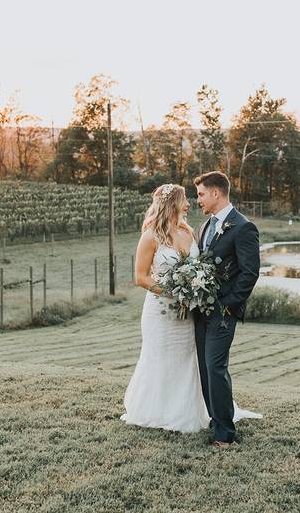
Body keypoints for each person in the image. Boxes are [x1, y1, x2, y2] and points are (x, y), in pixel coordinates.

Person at [120, 182, 261, 439]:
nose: (190, 203)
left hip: (188, 314)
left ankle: (192, 410)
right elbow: (141, 277)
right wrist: (173, 291)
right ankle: (159, 410)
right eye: (186, 199)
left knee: (188, 361)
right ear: (173, 203)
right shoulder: (151, 234)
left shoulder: (189, 230)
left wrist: (194, 290)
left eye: (196, 196)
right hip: (161, 311)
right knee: (160, 358)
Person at [193, 171, 262, 447]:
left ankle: (224, 434)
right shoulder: (205, 227)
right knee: (204, 369)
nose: (197, 199)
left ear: (216, 193)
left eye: (200, 194)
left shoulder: (243, 227)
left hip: (223, 313)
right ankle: (215, 419)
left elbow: (250, 273)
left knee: (215, 367)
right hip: (200, 310)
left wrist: (229, 306)